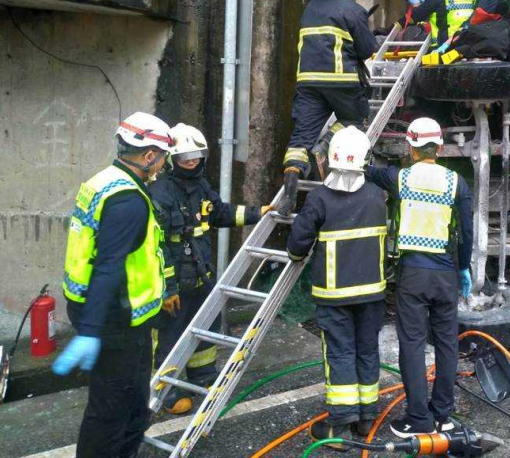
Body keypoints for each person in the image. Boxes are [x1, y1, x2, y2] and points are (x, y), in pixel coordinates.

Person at [53, 112, 174, 458]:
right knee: (111, 415)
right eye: (162, 157)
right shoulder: (129, 202)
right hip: (117, 322)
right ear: (149, 156)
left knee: (133, 410)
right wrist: (91, 331)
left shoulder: (102, 182)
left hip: (106, 313)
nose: (162, 165)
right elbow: (108, 266)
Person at [364, 118, 473, 438]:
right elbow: (465, 232)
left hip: (413, 273)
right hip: (445, 273)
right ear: (439, 148)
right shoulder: (457, 183)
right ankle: (443, 416)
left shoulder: (400, 178)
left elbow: (369, 172)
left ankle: (417, 419)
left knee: (412, 344)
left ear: (411, 149)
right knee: (446, 343)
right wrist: (463, 267)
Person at [149, 123, 263, 414]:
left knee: (205, 328)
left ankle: (203, 376)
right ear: (173, 158)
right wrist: (168, 290)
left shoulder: (200, 185)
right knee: (170, 337)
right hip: (176, 284)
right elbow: (158, 248)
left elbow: (221, 213)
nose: (192, 161)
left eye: (197, 155)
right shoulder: (160, 192)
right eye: (186, 157)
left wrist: (257, 214)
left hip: (202, 276)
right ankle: (166, 392)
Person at [286, 126, 388, 448]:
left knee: (341, 354)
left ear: (329, 160)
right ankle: (366, 417)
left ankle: (340, 427)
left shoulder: (319, 199)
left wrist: (296, 254)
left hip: (334, 297)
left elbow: (297, 245)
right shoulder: (377, 197)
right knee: (367, 349)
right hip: (372, 294)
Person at [277, 0, 377, 216]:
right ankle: (325, 145)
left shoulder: (310, 7)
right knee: (354, 118)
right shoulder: (352, 9)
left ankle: (288, 194)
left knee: (299, 139)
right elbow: (368, 50)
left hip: (308, 83)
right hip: (342, 82)